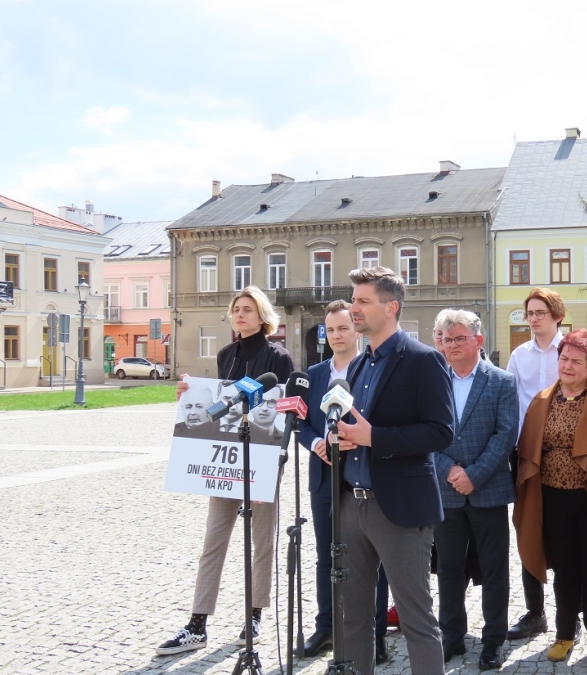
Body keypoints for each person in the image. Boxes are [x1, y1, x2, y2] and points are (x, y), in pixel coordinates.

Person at [157, 286, 294, 656]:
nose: (240, 314)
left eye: (247, 309)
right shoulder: (226, 355)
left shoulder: (278, 357)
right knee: (214, 541)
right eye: (236, 309)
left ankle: (254, 615)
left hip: (263, 461)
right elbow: (219, 403)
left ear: (262, 316)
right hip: (227, 461)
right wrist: (189, 393)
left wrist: (276, 463)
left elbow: (286, 410)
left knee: (261, 542)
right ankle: (197, 623)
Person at [335, 266, 454, 675]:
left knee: (416, 620)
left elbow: (441, 431)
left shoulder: (423, 360)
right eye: (353, 300)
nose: (353, 308)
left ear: (391, 308)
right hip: (351, 505)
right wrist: (342, 440)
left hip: (400, 509)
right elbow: (358, 428)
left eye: (362, 301)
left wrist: (375, 438)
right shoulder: (357, 365)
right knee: (354, 617)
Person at [298, 300, 392, 664]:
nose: (337, 335)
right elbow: (303, 423)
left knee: (370, 559)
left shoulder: (372, 368)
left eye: (343, 328)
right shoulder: (314, 373)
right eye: (331, 330)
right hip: (324, 475)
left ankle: (376, 633)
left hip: (363, 475)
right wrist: (316, 443)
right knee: (326, 555)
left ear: (357, 330)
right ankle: (326, 627)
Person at [514, 329, 587, 665]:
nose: (567, 366)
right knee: (565, 570)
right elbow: (528, 450)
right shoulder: (542, 400)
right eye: (564, 358)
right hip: (552, 499)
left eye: (576, 361)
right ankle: (564, 634)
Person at [433, 310, 517, 670]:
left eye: (459, 338)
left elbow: (505, 435)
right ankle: (451, 636)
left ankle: (493, 640)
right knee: (448, 569)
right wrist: (449, 470)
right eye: (446, 339)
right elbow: (425, 433)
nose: (451, 345)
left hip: (488, 490)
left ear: (478, 340)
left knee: (494, 570)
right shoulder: (433, 381)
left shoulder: (501, 381)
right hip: (446, 490)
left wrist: (474, 475)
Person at [506, 287, 566, 641]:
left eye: (540, 312)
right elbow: (511, 402)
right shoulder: (519, 355)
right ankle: (534, 612)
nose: (533, 319)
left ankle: (569, 613)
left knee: (564, 534)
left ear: (557, 315)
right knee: (528, 531)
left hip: (565, 456)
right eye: (529, 313)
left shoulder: (571, 350)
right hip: (526, 455)